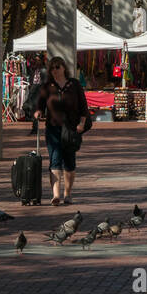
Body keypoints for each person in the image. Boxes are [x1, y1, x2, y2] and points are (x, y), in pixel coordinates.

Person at [38, 56, 90, 204]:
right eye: (52, 68)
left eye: (57, 67)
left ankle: (67, 193)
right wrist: (38, 113)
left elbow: (84, 107)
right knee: (54, 160)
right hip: (53, 128)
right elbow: (39, 105)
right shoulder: (47, 86)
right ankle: (56, 195)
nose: (55, 70)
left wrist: (81, 124)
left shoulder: (74, 84)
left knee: (69, 162)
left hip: (71, 129)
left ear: (64, 68)